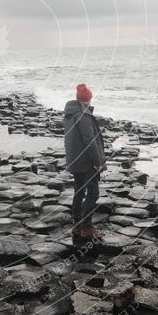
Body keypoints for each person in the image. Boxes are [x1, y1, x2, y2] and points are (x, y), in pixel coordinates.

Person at [63, 83, 106, 239]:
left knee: (79, 192)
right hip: (86, 162)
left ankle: (77, 225)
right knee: (93, 193)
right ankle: (87, 228)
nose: (91, 100)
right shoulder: (84, 115)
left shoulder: (70, 114)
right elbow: (90, 140)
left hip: (75, 160)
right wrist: (97, 161)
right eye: (90, 98)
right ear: (87, 100)